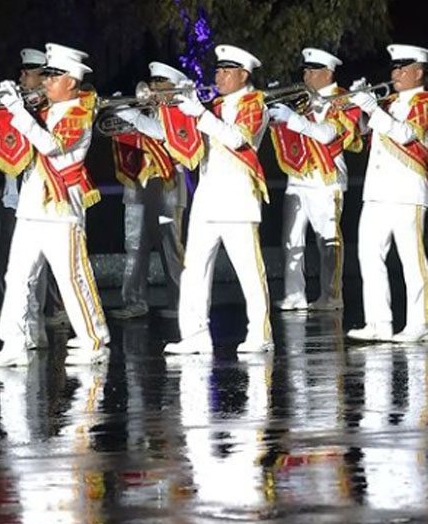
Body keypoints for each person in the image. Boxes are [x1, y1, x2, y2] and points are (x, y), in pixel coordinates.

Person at [0, 42, 109, 367]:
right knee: (17, 277)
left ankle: (94, 338)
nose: (46, 81)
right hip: (31, 207)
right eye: (47, 75)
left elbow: (51, 147)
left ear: (71, 81)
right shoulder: (44, 110)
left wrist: (18, 112)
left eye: (53, 76)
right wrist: (5, 109)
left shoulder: (80, 111)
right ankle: (13, 344)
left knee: (71, 277)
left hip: (62, 209)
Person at [164, 44, 272, 355]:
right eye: (218, 70)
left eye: (226, 71)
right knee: (194, 269)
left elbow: (238, 139)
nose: (219, 75)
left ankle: (260, 333)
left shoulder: (255, 105)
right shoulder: (213, 105)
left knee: (249, 272)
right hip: (207, 199)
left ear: (244, 74)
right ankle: (195, 335)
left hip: (238, 200)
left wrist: (200, 113)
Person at [268, 48, 361, 312]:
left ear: (328, 73)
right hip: (297, 176)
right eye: (305, 70)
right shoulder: (302, 99)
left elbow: (328, 134)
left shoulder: (344, 100)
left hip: (326, 178)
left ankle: (331, 296)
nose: (306, 75)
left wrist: (294, 119)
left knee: (327, 241)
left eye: (312, 70)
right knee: (291, 239)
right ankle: (294, 294)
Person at [346, 44, 428, 343]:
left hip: (407, 191)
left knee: (412, 260)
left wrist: (371, 107)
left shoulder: (424, 102)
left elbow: (406, 135)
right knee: (368, 255)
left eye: (403, 69)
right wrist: (360, 105)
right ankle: (378, 321)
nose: (396, 74)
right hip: (377, 191)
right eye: (394, 68)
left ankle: (420, 323)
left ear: (419, 72)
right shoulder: (390, 102)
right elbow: (367, 131)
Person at [109, 61, 189, 320]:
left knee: (170, 245)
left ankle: (181, 303)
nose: (152, 90)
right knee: (134, 245)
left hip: (168, 185)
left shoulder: (181, 113)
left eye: (159, 85)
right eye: (152, 84)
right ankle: (134, 301)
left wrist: (129, 114)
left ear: (173, 89)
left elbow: (159, 132)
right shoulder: (143, 112)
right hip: (137, 185)